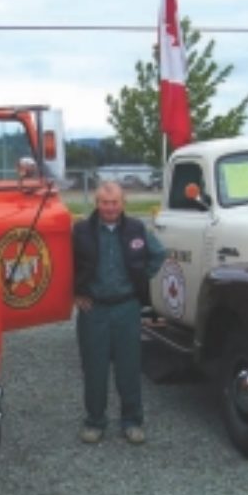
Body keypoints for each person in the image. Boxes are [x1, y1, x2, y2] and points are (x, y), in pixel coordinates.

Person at [72, 181, 165, 444]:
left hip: (127, 307)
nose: (109, 208)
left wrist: (141, 280)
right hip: (94, 310)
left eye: (114, 203)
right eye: (104, 202)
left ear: (123, 203)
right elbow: (66, 264)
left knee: (129, 368)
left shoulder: (137, 229)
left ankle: (132, 421)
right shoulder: (81, 231)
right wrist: (76, 293)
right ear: (97, 203)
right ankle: (94, 421)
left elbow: (159, 254)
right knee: (94, 369)